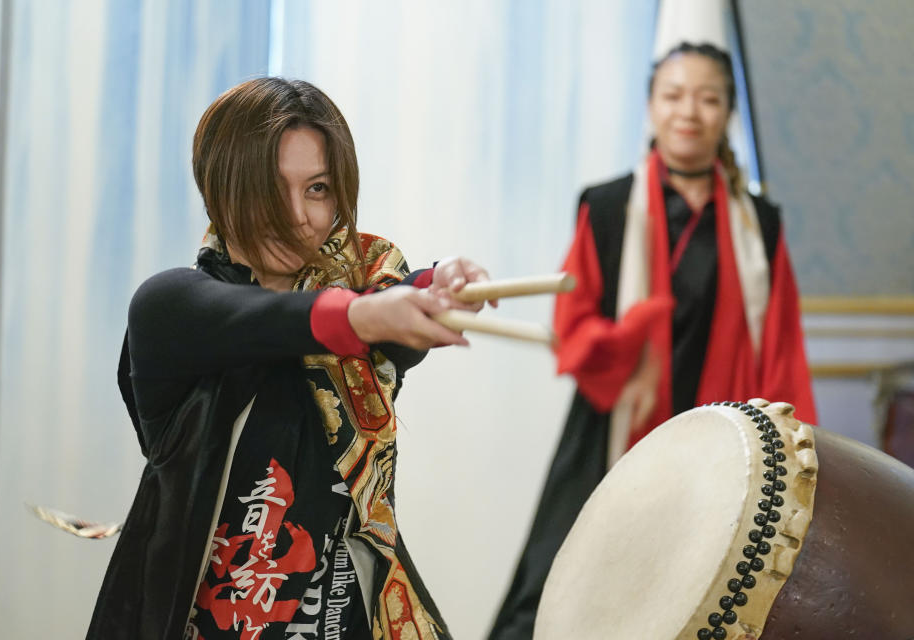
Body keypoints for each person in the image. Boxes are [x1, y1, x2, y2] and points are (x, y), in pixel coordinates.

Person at [87, 77, 491, 640]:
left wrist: (439, 281)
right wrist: (362, 317)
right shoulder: (175, 308)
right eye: (271, 190)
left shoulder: (360, 301)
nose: (297, 217)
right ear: (221, 188)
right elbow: (270, 321)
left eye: (319, 188)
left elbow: (391, 317)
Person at [489, 42, 817, 640]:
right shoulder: (607, 205)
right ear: (650, 107)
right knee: (552, 585)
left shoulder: (760, 224)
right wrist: (633, 334)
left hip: (724, 435)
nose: (688, 111)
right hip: (615, 419)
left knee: (711, 590)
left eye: (707, 97)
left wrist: (793, 444)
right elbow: (573, 323)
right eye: (673, 95)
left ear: (726, 114)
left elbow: (781, 344)